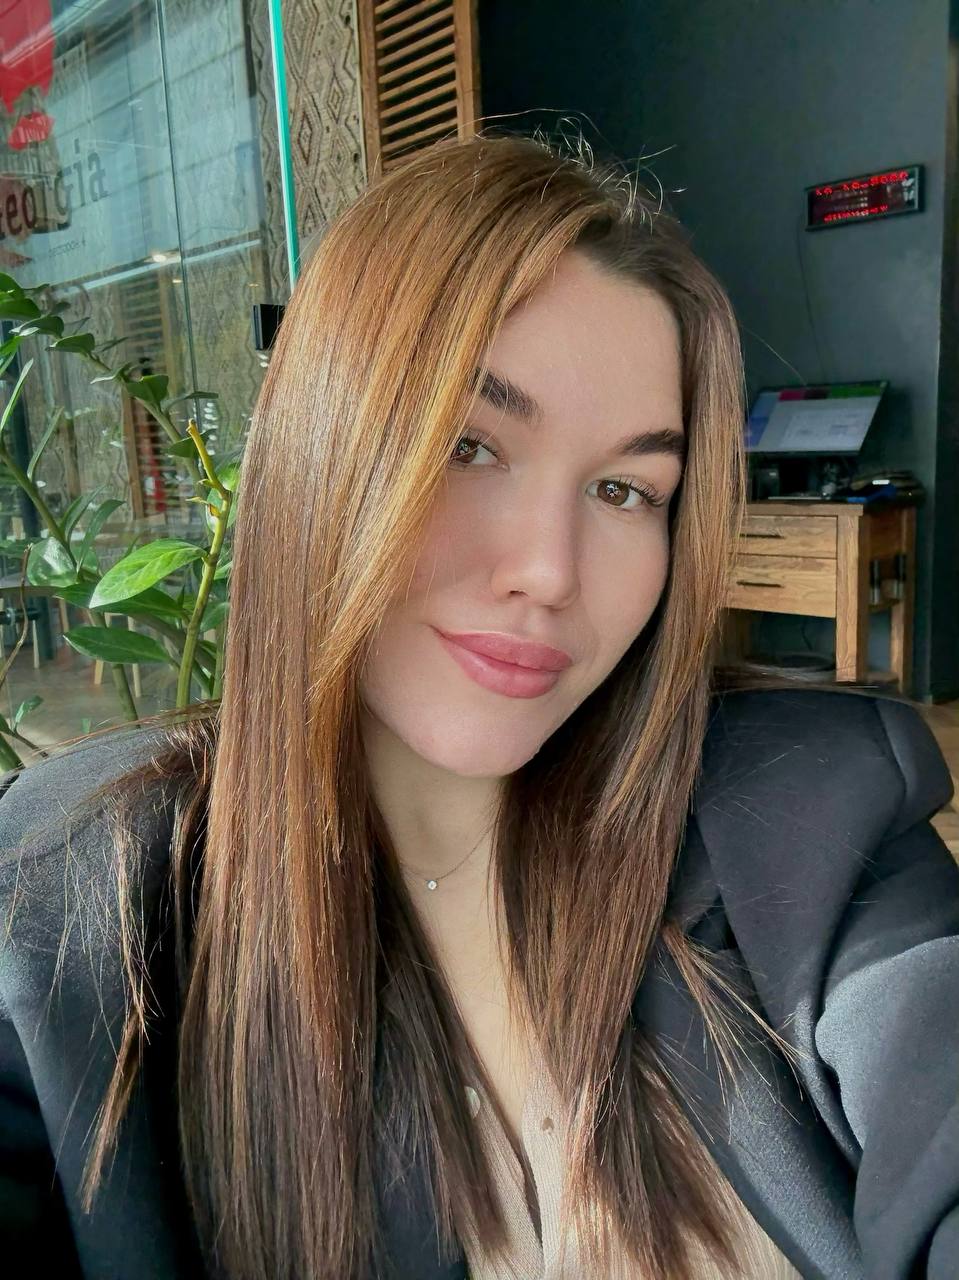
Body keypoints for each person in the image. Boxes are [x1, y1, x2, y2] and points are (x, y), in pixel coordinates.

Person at [0, 131, 956, 1280]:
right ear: (321, 446)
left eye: (623, 489)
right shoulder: (63, 903)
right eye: (469, 444)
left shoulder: (815, 812)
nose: (547, 569)